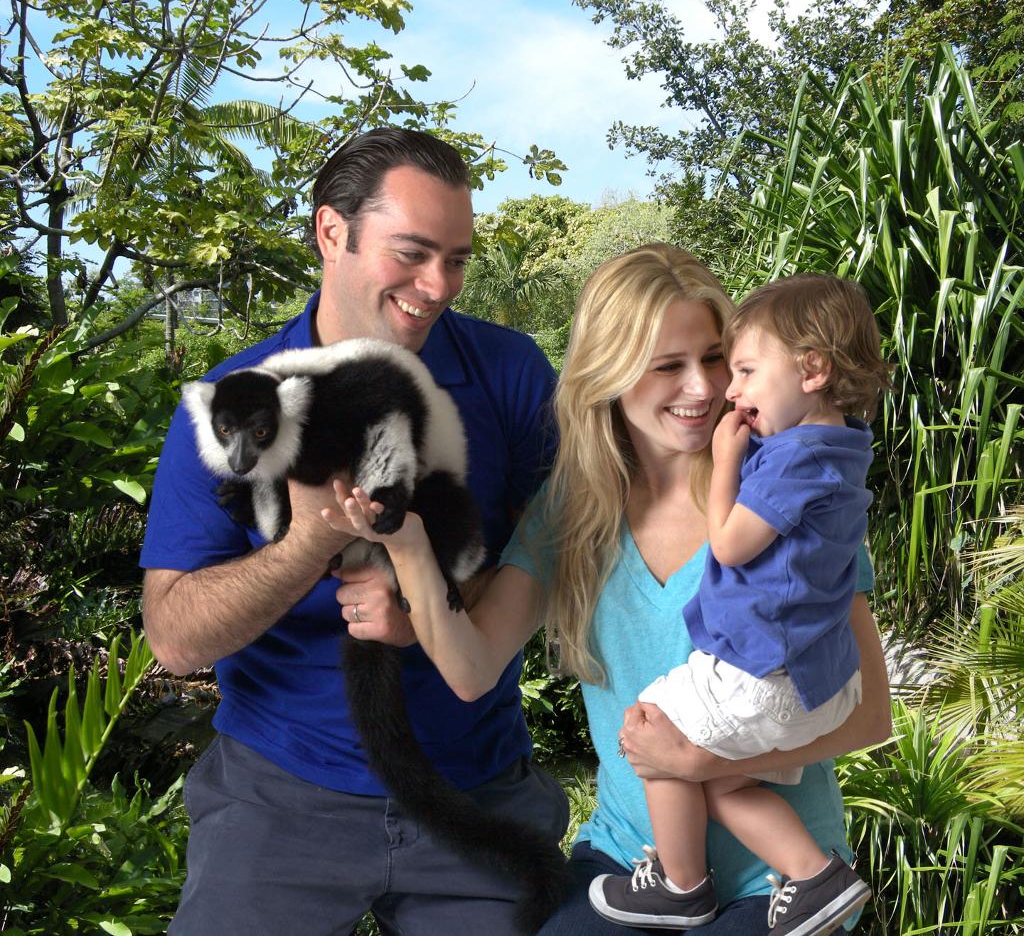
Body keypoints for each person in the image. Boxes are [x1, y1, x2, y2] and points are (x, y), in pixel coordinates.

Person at [324, 245, 892, 935]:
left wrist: (699, 762)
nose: (703, 388)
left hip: (781, 882)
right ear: (611, 374)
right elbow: (473, 668)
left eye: (716, 358)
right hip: (631, 859)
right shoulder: (574, 508)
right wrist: (410, 549)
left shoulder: (788, 492)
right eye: (667, 366)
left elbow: (869, 717)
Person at [140, 127, 568, 936]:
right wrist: (308, 543)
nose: (437, 286)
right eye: (412, 253)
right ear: (332, 233)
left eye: (457, 259)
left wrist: (428, 604)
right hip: (278, 788)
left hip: (474, 777)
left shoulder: (508, 371)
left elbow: (554, 552)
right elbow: (174, 639)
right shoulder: (237, 399)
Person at [587, 274, 890, 935]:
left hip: (763, 677)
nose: (727, 390)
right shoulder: (841, 448)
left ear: (812, 369)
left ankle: (680, 885)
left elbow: (727, 543)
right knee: (726, 784)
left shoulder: (793, 461)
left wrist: (726, 459)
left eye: (742, 368)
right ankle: (815, 877)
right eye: (668, 365)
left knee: (653, 725)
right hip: (812, 683)